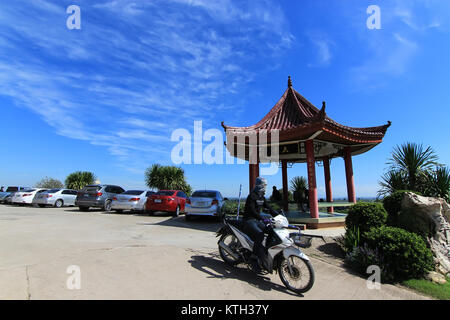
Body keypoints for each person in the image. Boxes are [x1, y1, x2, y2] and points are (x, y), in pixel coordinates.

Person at [243, 177, 278, 273]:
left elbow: (268, 207)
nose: (265, 187)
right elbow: (252, 211)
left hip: (257, 220)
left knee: (272, 231)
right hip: (249, 220)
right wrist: (262, 218)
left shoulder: (261, 197)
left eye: (266, 185)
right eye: (264, 185)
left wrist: (277, 215)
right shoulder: (252, 196)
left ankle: (265, 251)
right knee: (260, 235)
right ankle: (253, 257)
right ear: (259, 185)